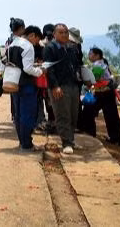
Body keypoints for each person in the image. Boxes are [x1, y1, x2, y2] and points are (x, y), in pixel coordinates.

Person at [44, 24, 81, 155]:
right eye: (61, 32)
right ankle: (66, 142)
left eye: (66, 32)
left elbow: (76, 65)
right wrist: (54, 86)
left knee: (73, 114)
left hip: (73, 85)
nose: (64, 35)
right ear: (54, 34)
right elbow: (49, 69)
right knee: (62, 114)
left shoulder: (71, 48)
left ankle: (71, 139)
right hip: (59, 87)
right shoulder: (50, 48)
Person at [8, 26, 44, 151]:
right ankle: (27, 143)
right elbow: (27, 68)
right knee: (27, 114)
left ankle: (22, 141)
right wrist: (39, 71)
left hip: (14, 83)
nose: (37, 43)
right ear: (33, 35)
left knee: (18, 114)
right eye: (38, 39)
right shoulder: (28, 46)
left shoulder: (12, 44)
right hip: (27, 84)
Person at [79, 48, 120, 146]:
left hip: (103, 93)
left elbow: (92, 81)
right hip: (106, 92)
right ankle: (116, 138)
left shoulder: (98, 66)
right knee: (111, 116)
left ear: (97, 55)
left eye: (91, 54)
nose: (89, 56)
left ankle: (90, 133)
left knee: (88, 111)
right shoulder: (103, 63)